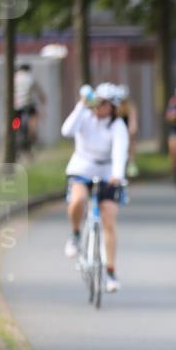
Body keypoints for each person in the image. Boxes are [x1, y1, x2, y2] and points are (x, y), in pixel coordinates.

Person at [61, 82, 130, 293]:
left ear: (113, 107)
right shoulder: (85, 116)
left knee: (109, 219)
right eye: (98, 103)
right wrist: (81, 105)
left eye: (106, 105)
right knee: (79, 200)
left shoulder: (117, 125)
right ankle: (75, 233)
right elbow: (66, 131)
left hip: (106, 171)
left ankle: (110, 271)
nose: (101, 108)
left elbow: (120, 150)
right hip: (82, 166)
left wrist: (118, 175)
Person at [13, 63, 47, 156]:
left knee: (16, 122)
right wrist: (43, 101)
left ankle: (14, 130)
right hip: (28, 106)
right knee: (33, 119)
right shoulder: (31, 78)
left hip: (16, 107)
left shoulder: (14, 78)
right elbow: (40, 93)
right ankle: (31, 135)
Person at [117, 84, 141, 178]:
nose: (122, 102)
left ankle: (131, 162)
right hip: (117, 127)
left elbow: (133, 120)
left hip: (127, 127)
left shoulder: (130, 106)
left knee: (131, 139)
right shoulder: (115, 106)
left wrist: (132, 128)